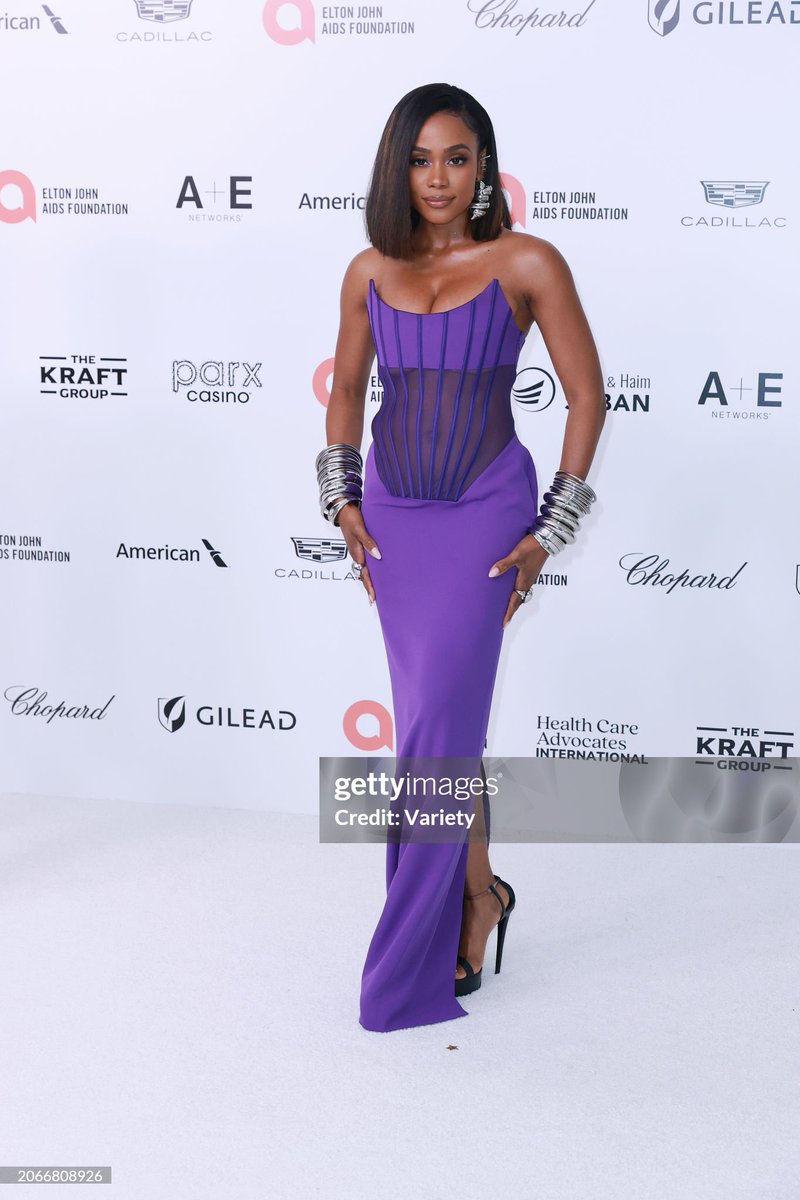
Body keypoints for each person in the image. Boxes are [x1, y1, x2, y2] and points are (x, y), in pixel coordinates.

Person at [316, 83, 605, 1033]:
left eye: (458, 157)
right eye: (420, 158)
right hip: (396, 519)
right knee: (438, 731)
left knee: (436, 730)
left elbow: (585, 397)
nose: (438, 177)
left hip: (487, 514)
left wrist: (550, 531)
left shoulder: (526, 260)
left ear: (485, 165)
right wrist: (342, 502)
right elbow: (348, 388)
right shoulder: (367, 270)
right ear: (397, 167)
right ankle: (481, 898)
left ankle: (406, 967)